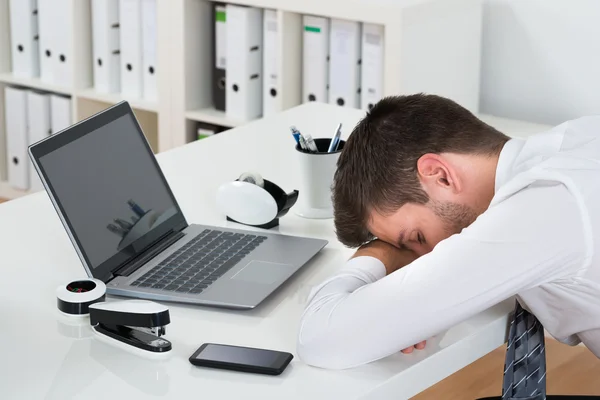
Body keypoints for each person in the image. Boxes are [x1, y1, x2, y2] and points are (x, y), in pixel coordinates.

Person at [296, 94, 600, 370]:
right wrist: (416, 309)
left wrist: (377, 254)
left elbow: (320, 339)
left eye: (416, 238)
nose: (425, 257)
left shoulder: (541, 208)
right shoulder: (578, 139)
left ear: (439, 175)